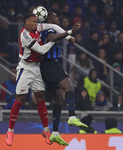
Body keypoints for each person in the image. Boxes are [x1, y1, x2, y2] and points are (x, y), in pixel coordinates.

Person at [5, 13, 76, 146]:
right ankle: (10, 131)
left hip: (37, 67)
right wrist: (53, 41)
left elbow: (54, 26)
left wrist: (69, 35)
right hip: (25, 68)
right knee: (20, 98)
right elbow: (42, 50)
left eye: (37, 21)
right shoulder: (24, 35)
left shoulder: (36, 27)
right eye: (33, 22)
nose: (36, 24)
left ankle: (46, 131)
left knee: (40, 97)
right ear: (26, 23)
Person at [40, 12, 88, 146]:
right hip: (50, 65)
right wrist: (69, 32)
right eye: (56, 17)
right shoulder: (49, 29)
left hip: (46, 67)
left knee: (59, 99)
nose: (58, 18)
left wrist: (68, 35)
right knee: (69, 87)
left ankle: (54, 133)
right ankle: (72, 116)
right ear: (49, 19)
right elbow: (52, 37)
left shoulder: (49, 29)